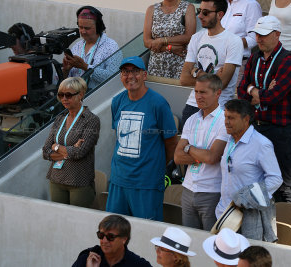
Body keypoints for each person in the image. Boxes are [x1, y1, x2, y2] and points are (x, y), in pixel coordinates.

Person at [237, 16, 291, 204]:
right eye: (257, 34)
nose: (259, 39)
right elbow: (242, 91)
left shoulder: (288, 61)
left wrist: (255, 91)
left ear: (277, 35)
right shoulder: (255, 57)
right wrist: (256, 91)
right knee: (258, 181)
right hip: (257, 128)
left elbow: (273, 97)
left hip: (281, 131)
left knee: (286, 185)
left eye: (264, 35)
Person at [106, 56, 177, 221]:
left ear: (144, 75)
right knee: (114, 230)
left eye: (135, 71)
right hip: (119, 180)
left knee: (146, 233)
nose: (130, 76)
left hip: (146, 183)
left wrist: (154, 166)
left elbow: (172, 142)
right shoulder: (117, 101)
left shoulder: (158, 103)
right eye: (125, 72)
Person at [216, 99, 282, 241]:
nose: (226, 122)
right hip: (224, 214)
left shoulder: (261, 144)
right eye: (225, 117)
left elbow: (276, 179)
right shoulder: (230, 139)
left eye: (231, 118)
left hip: (249, 218)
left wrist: (249, 198)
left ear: (246, 119)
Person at [174, 74, 228, 231]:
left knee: (210, 242)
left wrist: (189, 148)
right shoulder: (191, 119)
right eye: (196, 91)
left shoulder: (224, 121)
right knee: (189, 243)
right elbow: (177, 157)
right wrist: (200, 155)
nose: (198, 96)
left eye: (203, 92)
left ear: (217, 93)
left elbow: (212, 157)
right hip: (188, 189)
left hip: (212, 191)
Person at [180, 0, 243, 127]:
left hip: (218, 106)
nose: (200, 16)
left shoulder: (234, 41)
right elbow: (183, 79)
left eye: (206, 12)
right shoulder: (196, 38)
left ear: (219, 15)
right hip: (193, 104)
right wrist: (213, 78)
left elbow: (222, 84)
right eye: (199, 11)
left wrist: (197, 72)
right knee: (185, 145)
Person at [42, 77, 100, 208]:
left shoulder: (91, 120)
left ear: (81, 94)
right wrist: (67, 150)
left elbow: (80, 153)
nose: (64, 99)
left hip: (79, 181)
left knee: (78, 223)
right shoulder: (59, 118)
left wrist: (55, 146)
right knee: (59, 220)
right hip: (56, 179)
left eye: (68, 95)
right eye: (61, 95)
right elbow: (45, 151)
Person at [63, 6, 120, 88]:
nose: (83, 31)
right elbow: (65, 81)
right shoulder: (77, 46)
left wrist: (85, 67)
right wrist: (66, 70)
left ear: (98, 27)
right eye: (80, 27)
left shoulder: (111, 47)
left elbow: (113, 78)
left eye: (87, 28)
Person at [72, 215, 152, 267]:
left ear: (124, 239)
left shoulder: (138, 264)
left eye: (110, 237)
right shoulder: (88, 257)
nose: (104, 241)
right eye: (101, 235)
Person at [143, 0, 196, 79]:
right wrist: (170, 48)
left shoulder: (188, 7)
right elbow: (146, 42)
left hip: (179, 63)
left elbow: (189, 37)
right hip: (156, 65)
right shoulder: (152, 9)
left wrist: (162, 40)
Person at [221, 0, 262, 82]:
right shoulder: (221, 3)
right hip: (216, 61)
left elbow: (254, 38)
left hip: (237, 63)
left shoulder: (251, 4)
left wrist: (226, 43)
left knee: (233, 94)